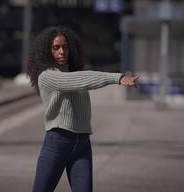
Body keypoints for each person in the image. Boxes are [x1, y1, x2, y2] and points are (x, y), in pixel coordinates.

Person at [26, 26, 139, 192]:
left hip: (82, 143)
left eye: (65, 47)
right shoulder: (47, 76)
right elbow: (81, 79)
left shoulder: (73, 71)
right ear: (46, 51)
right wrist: (118, 78)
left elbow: (79, 77)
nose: (62, 52)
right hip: (58, 142)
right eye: (56, 48)